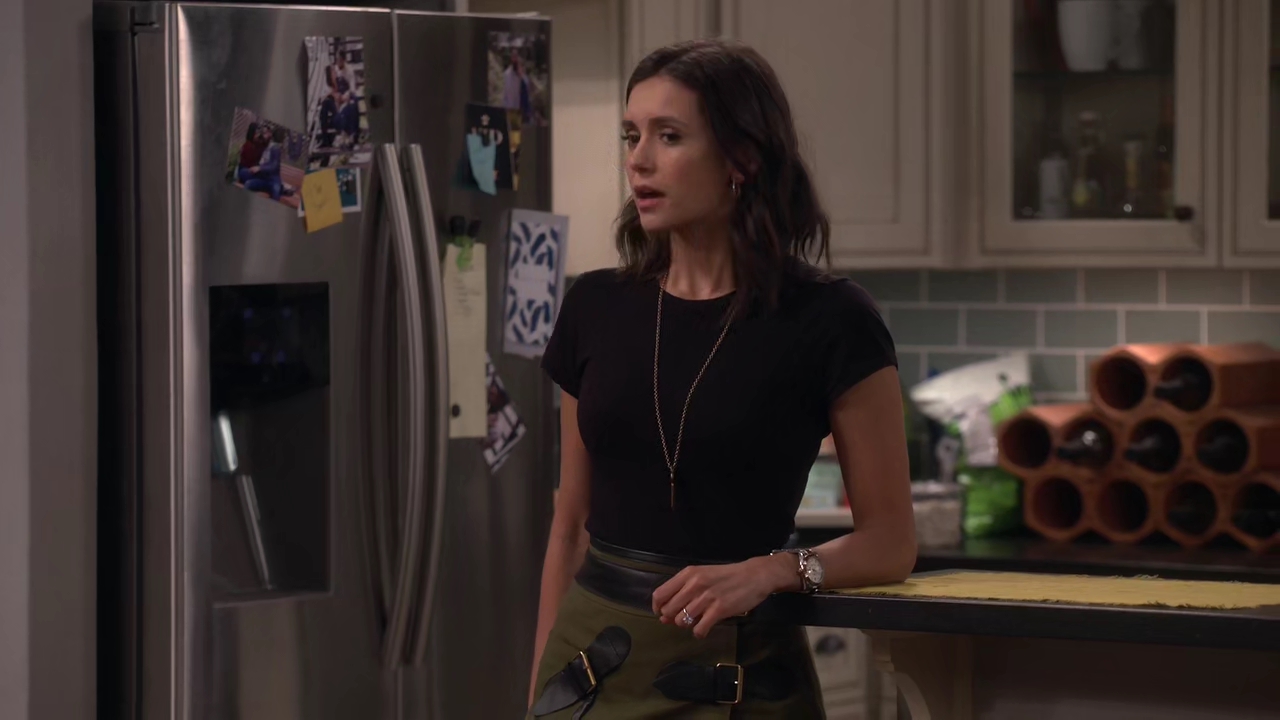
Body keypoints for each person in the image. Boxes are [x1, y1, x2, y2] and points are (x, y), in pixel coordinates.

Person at [526, 39, 917, 719]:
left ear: (743, 158)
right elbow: (569, 529)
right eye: (631, 135)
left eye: (669, 136)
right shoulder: (594, 306)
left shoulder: (831, 319)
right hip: (590, 672)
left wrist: (775, 570)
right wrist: (537, 695)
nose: (638, 160)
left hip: (741, 673)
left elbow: (891, 542)